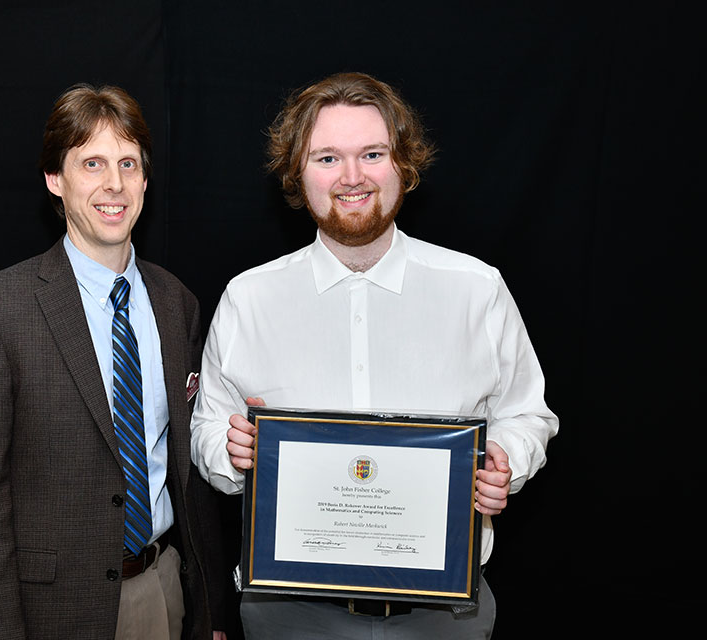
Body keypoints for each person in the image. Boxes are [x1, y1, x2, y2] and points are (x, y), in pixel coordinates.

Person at [190, 71, 559, 639]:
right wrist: (231, 450)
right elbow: (206, 430)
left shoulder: (476, 289)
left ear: (403, 165)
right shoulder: (249, 299)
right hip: (289, 614)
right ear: (298, 173)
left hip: (444, 617)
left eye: (373, 153)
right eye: (327, 158)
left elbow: (529, 413)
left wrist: (501, 462)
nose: (353, 177)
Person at [0, 84, 227, 640]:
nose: (113, 184)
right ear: (55, 179)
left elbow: (186, 474)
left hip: (164, 591)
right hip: (51, 612)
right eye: (91, 163)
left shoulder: (176, 304)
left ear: (145, 178)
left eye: (127, 163)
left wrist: (209, 606)